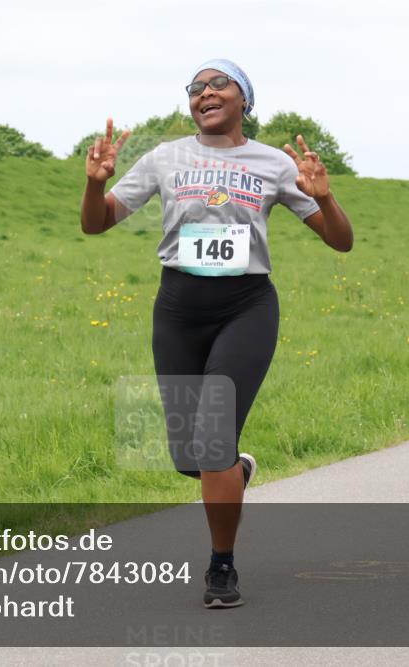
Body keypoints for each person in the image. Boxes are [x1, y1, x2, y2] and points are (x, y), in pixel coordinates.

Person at [80, 58, 353, 608]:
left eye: (217, 84)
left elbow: (340, 241)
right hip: (178, 308)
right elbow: (97, 221)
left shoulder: (273, 163)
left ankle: (220, 567)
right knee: (192, 458)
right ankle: (236, 468)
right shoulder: (165, 157)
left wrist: (323, 195)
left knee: (210, 444)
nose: (204, 93)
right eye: (195, 88)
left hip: (246, 307)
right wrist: (94, 185)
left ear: (244, 99)